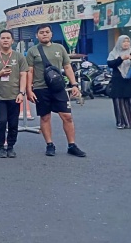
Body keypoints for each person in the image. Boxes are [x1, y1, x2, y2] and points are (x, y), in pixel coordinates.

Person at [26, 24, 86, 157]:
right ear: (37, 35)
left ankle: (72, 145)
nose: (44, 34)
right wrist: (29, 89)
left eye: (47, 32)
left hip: (59, 88)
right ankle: (49, 144)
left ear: (51, 34)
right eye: (41, 32)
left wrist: (74, 84)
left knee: (67, 116)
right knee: (45, 117)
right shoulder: (33, 51)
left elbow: (68, 66)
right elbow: (30, 71)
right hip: (41, 88)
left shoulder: (60, 48)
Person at [0, 30, 28, 158]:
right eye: (2, 38)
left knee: (13, 123)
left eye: (8, 38)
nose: (5, 40)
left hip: (15, 95)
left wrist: (22, 92)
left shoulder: (19, 57)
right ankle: (0, 146)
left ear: (12, 41)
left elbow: (23, 75)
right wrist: (0, 74)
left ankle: (10, 147)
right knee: (1, 122)